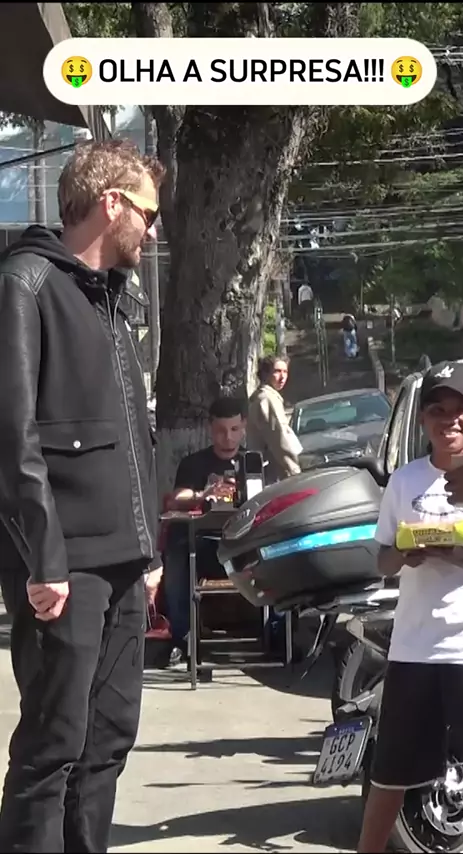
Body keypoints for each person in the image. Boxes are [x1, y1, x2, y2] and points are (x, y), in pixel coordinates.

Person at [0, 139, 165, 853]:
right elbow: (12, 439)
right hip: (63, 568)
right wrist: (45, 560)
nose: (152, 230)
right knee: (52, 746)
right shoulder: (25, 284)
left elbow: (134, 437)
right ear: (111, 203)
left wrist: (150, 551)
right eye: (148, 214)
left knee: (107, 743)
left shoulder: (114, 300)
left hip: (126, 563)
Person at [357, 360, 463, 853]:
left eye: (460, 409)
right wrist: (404, 554)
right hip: (413, 651)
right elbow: (382, 560)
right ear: (423, 419)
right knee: (390, 775)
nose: (449, 420)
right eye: (437, 410)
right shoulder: (405, 482)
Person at [163, 396, 247, 664]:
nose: (228, 437)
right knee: (177, 550)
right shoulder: (194, 463)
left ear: (243, 427)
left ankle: (281, 630)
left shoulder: (254, 462)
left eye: (234, 429)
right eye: (221, 430)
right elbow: (177, 498)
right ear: (211, 428)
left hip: (244, 543)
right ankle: (182, 638)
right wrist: (202, 495)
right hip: (204, 544)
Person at [247, 355, 301, 484]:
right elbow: (279, 438)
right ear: (265, 373)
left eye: (285, 372)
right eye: (277, 371)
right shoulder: (267, 399)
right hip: (275, 476)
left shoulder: (264, 396)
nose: (282, 377)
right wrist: (295, 471)